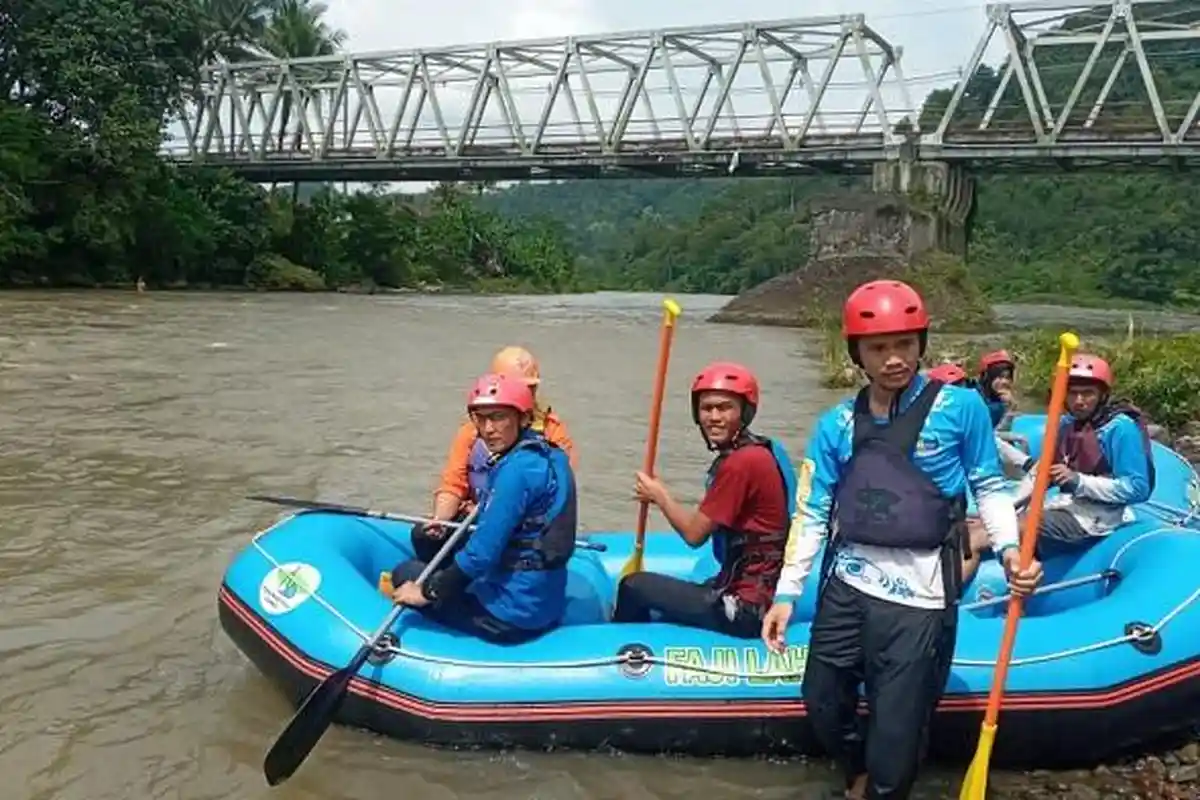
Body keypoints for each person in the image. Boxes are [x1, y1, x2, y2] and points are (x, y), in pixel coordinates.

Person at [761, 279, 1044, 800]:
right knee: (821, 699)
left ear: (921, 344)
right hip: (848, 583)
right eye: (878, 348)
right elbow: (813, 510)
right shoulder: (836, 424)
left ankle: (885, 779)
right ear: (857, 355)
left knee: (897, 738)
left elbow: (988, 484)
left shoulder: (960, 409)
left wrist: (1008, 550)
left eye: (904, 344)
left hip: (922, 591)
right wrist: (785, 594)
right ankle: (856, 769)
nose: (894, 358)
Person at [611, 362, 795, 637]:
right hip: (750, 591)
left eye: (724, 408)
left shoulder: (741, 464)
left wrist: (659, 495)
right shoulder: (761, 451)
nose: (714, 417)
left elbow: (694, 535)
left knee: (633, 586)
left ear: (744, 413)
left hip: (745, 609)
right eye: (706, 409)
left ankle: (624, 657)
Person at [390, 372, 577, 643]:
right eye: (481, 418)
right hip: (544, 602)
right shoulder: (554, 455)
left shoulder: (516, 472)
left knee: (406, 572)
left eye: (499, 417)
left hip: (508, 617)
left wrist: (427, 591)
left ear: (523, 418)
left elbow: (480, 556)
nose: (488, 429)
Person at [418, 345, 576, 560]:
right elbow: (453, 483)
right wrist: (441, 519)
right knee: (422, 537)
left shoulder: (553, 435)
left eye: (531, 388)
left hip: (519, 525)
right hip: (475, 515)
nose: (527, 394)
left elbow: (558, 496)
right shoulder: (471, 432)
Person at [1013, 354, 1155, 556]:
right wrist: (1011, 506)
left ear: (1102, 395)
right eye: (1072, 393)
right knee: (989, 526)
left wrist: (1078, 481)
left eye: (1087, 393)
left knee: (1005, 530)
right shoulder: (1065, 424)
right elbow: (1041, 471)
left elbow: (1138, 488)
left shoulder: (1119, 429)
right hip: (1065, 506)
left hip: (1097, 519)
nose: (1079, 401)